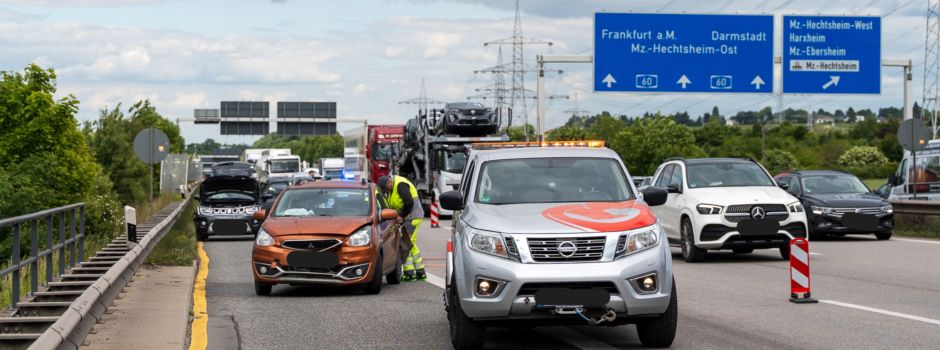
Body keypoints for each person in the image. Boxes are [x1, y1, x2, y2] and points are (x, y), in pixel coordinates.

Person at [377, 175, 425, 281]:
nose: (387, 191)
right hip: (408, 218)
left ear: (389, 181)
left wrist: (401, 216)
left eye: (387, 188)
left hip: (412, 217)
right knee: (410, 243)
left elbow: (409, 203)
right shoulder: (391, 188)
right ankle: (419, 271)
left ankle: (409, 273)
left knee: (405, 243)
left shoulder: (400, 185)